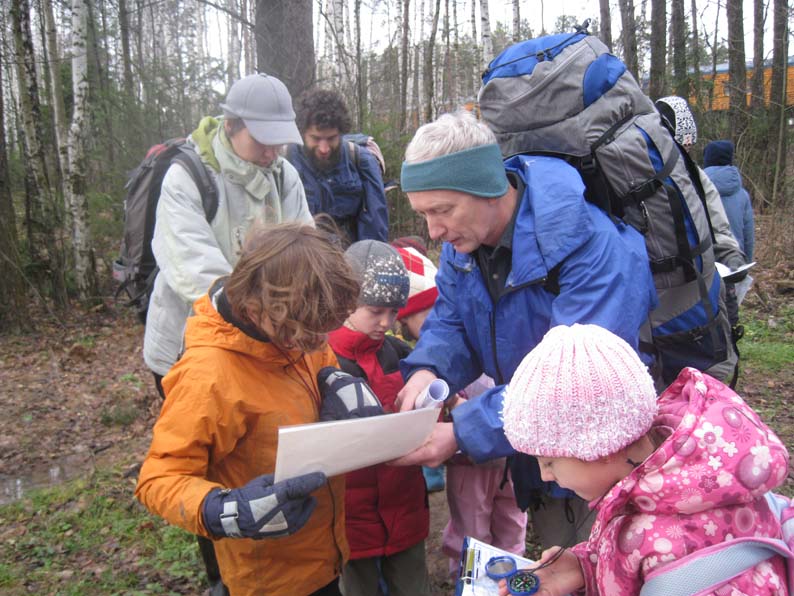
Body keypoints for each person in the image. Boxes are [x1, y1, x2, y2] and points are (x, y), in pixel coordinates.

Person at [393, 110, 658, 549]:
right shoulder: (465, 249)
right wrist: (429, 371)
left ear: (489, 189)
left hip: (607, 459)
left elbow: (575, 385)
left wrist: (462, 433)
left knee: (614, 558)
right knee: (565, 553)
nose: (434, 231)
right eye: (423, 214)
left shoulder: (590, 247)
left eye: (442, 210)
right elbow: (452, 321)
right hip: (540, 454)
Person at [140, 72, 314, 594]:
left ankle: (268, 557)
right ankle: (222, 573)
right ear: (231, 126)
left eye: (280, 139)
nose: (272, 151)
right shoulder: (188, 176)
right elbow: (194, 269)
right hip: (194, 347)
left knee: (258, 448)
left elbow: (304, 244)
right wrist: (264, 316)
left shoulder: (284, 174)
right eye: (262, 140)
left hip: (267, 341)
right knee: (207, 463)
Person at [135, 223, 362, 596]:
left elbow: (319, 359)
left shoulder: (293, 323)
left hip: (325, 551)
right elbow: (158, 479)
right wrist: (224, 510)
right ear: (256, 309)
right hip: (268, 578)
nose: (315, 343)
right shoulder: (208, 375)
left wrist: (335, 382)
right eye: (305, 334)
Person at [497, 323, 789, 596]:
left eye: (549, 462)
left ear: (602, 449)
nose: (545, 476)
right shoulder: (653, 488)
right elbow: (642, 560)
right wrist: (587, 566)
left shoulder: (687, 547)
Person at [392, 242, 528, 567]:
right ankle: (470, 581)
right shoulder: (441, 358)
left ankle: (511, 577)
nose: (416, 333)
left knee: (510, 520)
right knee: (472, 532)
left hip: (506, 451)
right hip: (470, 460)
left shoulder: (472, 333)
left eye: (412, 321)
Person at [327, 240, 431, 596]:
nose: (386, 322)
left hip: (405, 508)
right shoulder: (322, 360)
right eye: (375, 311)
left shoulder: (399, 354)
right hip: (350, 519)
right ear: (345, 301)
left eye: (393, 311)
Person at [287, 88, 389, 243]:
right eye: (316, 139)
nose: (324, 148)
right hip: (301, 252)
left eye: (331, 138)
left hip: (350, 253)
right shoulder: (286, 162)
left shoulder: (361, 161)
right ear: (302, 133)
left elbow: (375, 229)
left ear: (341, 133)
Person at [703, 140, 755, 263]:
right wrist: (746, 263)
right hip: (734, 259)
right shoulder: (742, 195)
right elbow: (748, 236)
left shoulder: (694, 189)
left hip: (704, 261)